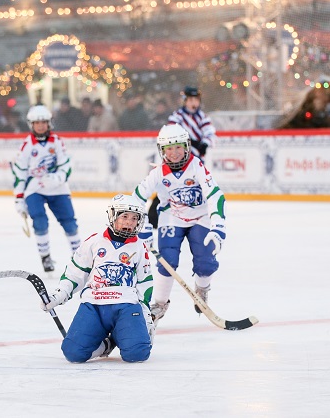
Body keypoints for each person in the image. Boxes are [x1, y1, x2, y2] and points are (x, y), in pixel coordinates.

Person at [41, 194, 154, 363]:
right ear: (112, 216)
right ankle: (107, 344)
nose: (129, 222)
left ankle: (120, 332)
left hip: (126, 306)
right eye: (124, 217)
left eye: (134, 218)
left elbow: (145, 282)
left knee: (137, 353)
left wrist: (145, 313)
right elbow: (74, 274)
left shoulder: (139, 246)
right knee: (73, 353)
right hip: (94, 305)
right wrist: (58, 296)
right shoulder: (94, 242)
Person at [132, 124, 227, 326]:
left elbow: (214, 195)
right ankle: (159, 303)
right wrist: (144, 227)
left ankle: (201, 289)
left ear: (186, 146)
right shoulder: (158, 172)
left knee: (206, 262)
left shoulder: (197, 166)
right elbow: (136, 199)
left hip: (200, 217)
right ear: (162, 150)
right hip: (172, 218)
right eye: (169, 148)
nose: (174, 153)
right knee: (167, 261)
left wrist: (218, 227)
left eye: (178, 147)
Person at [11, 104, 81, 272]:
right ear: (31, 125)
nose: (40, 125)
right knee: (40, 222)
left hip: (58, 188)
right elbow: (20, 173)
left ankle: (79, 258)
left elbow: (66, 164)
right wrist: (19, 199)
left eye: (43, 122)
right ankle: (45, 257)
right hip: (35, 188)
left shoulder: (57, 142)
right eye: (37, 123)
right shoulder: (27, 145)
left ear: (49, 123)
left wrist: (58, 177)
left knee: (70, 224)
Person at [148, 86, 217, 229]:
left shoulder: (202, 117)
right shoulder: (177, 116)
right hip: (177, 160)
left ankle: (197, 218)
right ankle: (154, 217)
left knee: (197, 187)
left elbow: (210, 132)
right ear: (185, 100)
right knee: (168, 185)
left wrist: (205, 143)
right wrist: (192, 141)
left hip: (195, 161)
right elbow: (171, 132)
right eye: (190, 99)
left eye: (196, 100)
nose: (193, 103)